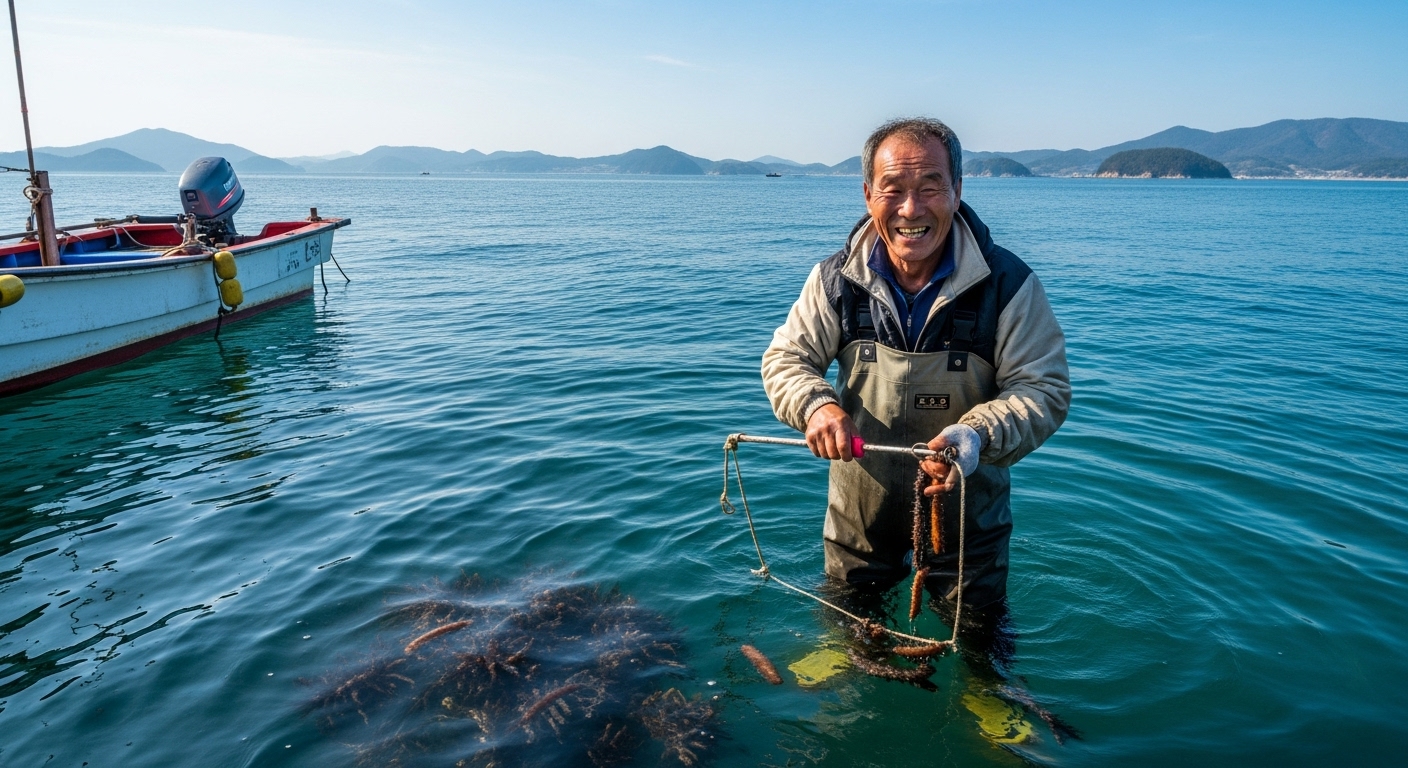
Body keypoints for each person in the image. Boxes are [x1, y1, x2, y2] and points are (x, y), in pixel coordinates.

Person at [760, 117, 1070, 614]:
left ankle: (980, 665)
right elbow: (786, 358)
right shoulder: (835, 281)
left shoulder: (1009, 285)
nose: (911, 209)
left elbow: (1043, 388)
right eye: (893, 189)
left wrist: (978, 434)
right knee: (850, 630)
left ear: (957, 191)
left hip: (969, 524)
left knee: (980, 636)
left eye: (930, 187)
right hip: (858, 524)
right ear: (868, 195)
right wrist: (815, 405)